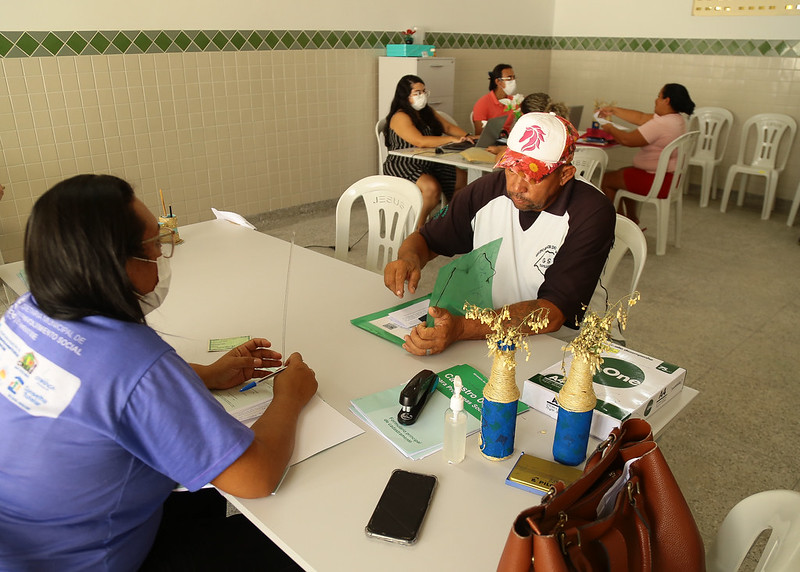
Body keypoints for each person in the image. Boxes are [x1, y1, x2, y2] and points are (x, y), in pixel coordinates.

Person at [0, 174, 318, 570]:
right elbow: (256, 478)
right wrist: (289, 397)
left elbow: (90, 383)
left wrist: (204, 375)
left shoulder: (26, 312)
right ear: (113, 264)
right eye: (154, 245)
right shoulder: (137, 361)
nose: (162, 256)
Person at [383, 113, 616, 356]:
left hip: (564, 343)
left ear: (565, 175)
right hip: (490, 327)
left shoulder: (591, 212)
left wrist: (462, 327)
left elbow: (553, 313)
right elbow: (427, 239)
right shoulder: (488, 191)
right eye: (511, 170)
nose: (516, 186)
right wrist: (409, 259)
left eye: (532, 176)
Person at [383, 75, 475, 226]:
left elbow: (448, 127)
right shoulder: (400, 116)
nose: (422, 96)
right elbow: (420, 141)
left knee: (462, 180)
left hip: (430, 161)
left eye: (424, 91)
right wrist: (450, 139)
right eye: (417, 93)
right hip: (403, 163)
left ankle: (448, 220)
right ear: (404, 96)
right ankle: (419, 227)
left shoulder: (427, 111)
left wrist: (467, 137)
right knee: (432, 188)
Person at [598, 83, 696, 224]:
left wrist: (610, 128)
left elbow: (627, 140)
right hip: (670, 179)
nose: (655, 100)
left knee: (607, 180)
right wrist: (613, 110)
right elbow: (641, 117)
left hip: (657, 181)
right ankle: (631, 220)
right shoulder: (677, 119)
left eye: (658, 96)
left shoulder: (661, 124)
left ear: (666, 100)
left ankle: (621, 228)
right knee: (623, 173)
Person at [487, 92, 570, 155]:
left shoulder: (534, 136)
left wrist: (500, 151)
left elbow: (506, 159)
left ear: (526, 116)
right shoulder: (561, 130)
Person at [472, 63, 523, 136]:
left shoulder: (514, 101)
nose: (513, 81)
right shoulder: (483, 103)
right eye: (509, 78)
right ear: (498, 82)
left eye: (513, 77)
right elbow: (479, 133)